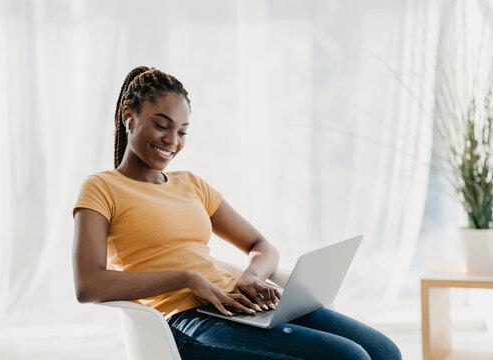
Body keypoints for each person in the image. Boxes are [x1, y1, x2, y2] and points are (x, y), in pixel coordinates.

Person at [72, 66, 402, 360]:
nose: (172, 141)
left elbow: (262, 245)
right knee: (348, 357)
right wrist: (187, 278)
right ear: (129, 117)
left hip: (242, 304)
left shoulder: (191, 184)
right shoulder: (102, 187)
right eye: (162, 125)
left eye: (183, 131)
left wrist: (252, 275)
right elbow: (88, 284)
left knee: (384, 351)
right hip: (187, 321)